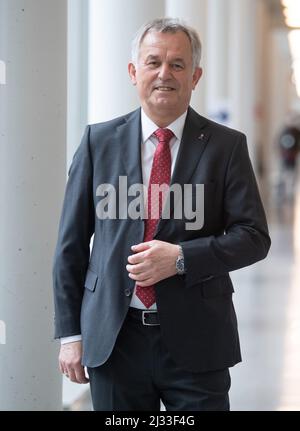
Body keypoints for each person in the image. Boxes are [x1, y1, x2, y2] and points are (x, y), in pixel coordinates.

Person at [53, 18, 271, 411]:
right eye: (153, 62)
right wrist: (70, 334)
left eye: (177, 64)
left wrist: (183, 258)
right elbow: (70, 246)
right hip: (114, 342)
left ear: (195, 76)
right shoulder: (96, 143)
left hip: (199, 342)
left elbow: (253, 237)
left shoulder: (226, 147)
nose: (164, 74)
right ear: (134, 72)